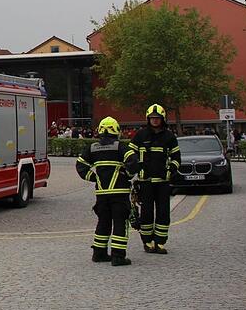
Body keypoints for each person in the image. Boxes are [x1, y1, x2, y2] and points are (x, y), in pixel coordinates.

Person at [76, 116, 138, 266]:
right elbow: (134, 163)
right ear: (116, 131)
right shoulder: (121, 147)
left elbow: (80, 165)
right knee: (120, 222)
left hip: (102, 194)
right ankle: (118, 256)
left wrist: (94, 178)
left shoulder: (92, 148)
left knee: (103, 222)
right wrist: (127, 175)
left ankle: (99, 253)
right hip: (119, 192)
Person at [128, 104, 180, 254]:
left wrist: (170, 171)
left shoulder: (169, 137)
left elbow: (176, 158)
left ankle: (160, 242)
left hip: (163, 182)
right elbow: (130, 155)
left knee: (163, 212)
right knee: (146, 212)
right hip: (146, 182)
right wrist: (137, 168)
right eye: (152, 118)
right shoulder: (140, 135)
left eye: (157, 118)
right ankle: (147, 241)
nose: (155, 121)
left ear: (162, 119)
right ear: (148, 119)